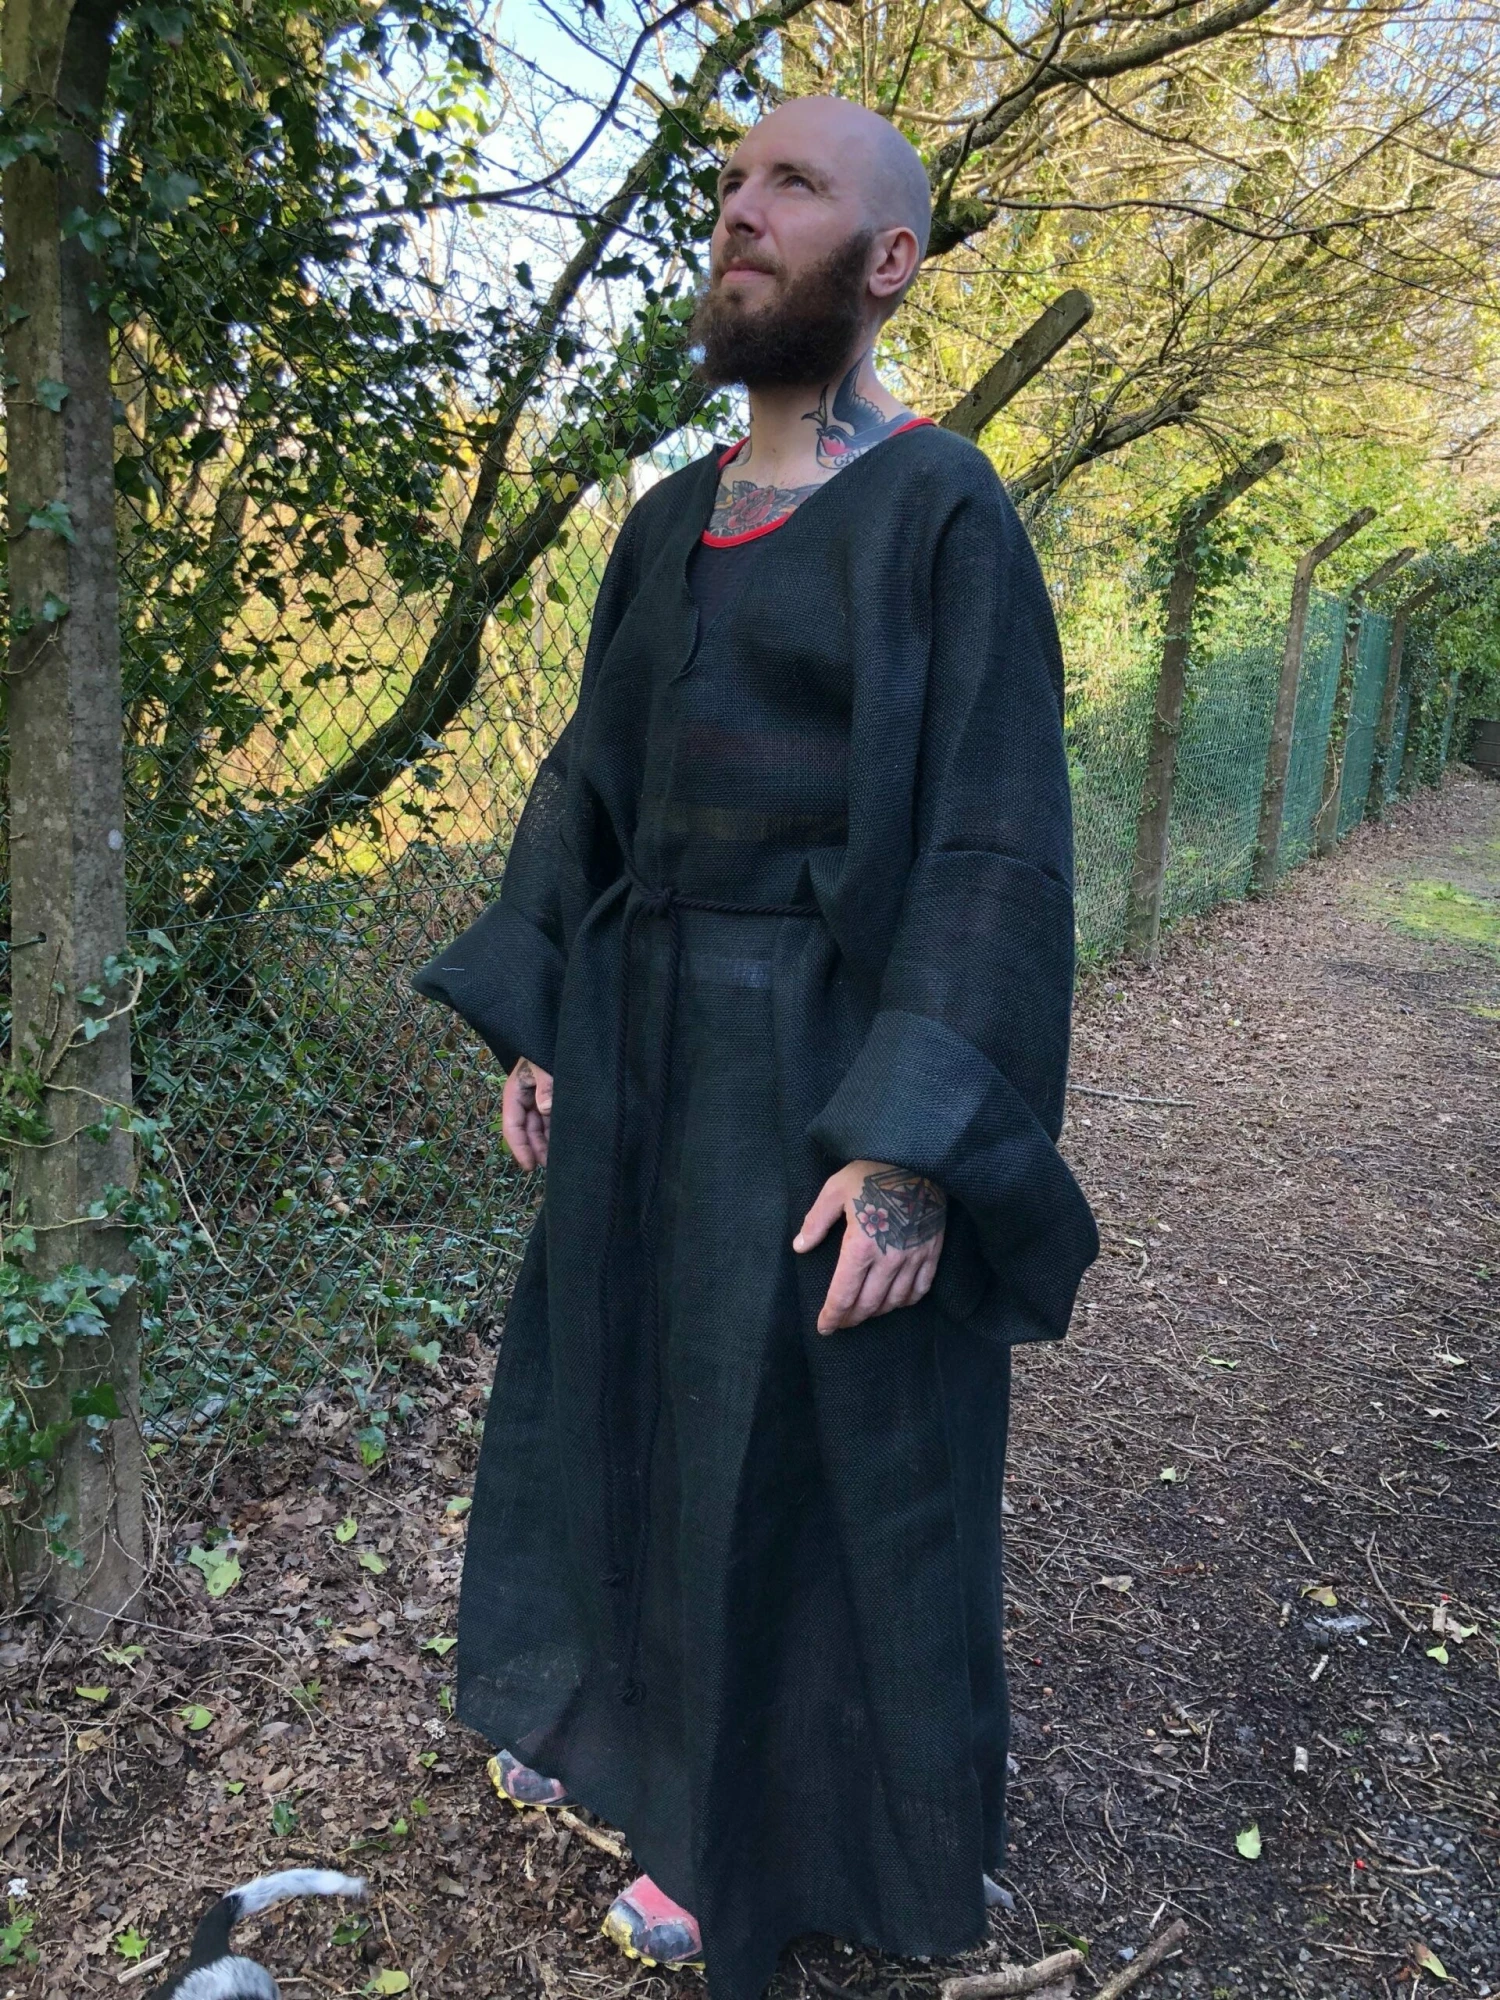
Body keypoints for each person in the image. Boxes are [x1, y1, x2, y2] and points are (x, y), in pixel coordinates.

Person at [414, 93, 1098, 2000]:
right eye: (730, 184)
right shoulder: (666, 522)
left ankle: (755, 1845)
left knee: (805, 1453)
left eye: (791, 185)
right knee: (631, 1403)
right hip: (642, 1052)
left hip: (822, 1069)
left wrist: (910, 1151)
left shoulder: (943, 510)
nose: (739, 212)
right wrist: (545, 1016)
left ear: (888, 259)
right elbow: (589, 780)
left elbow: (991, 842)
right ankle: (637, 1754)